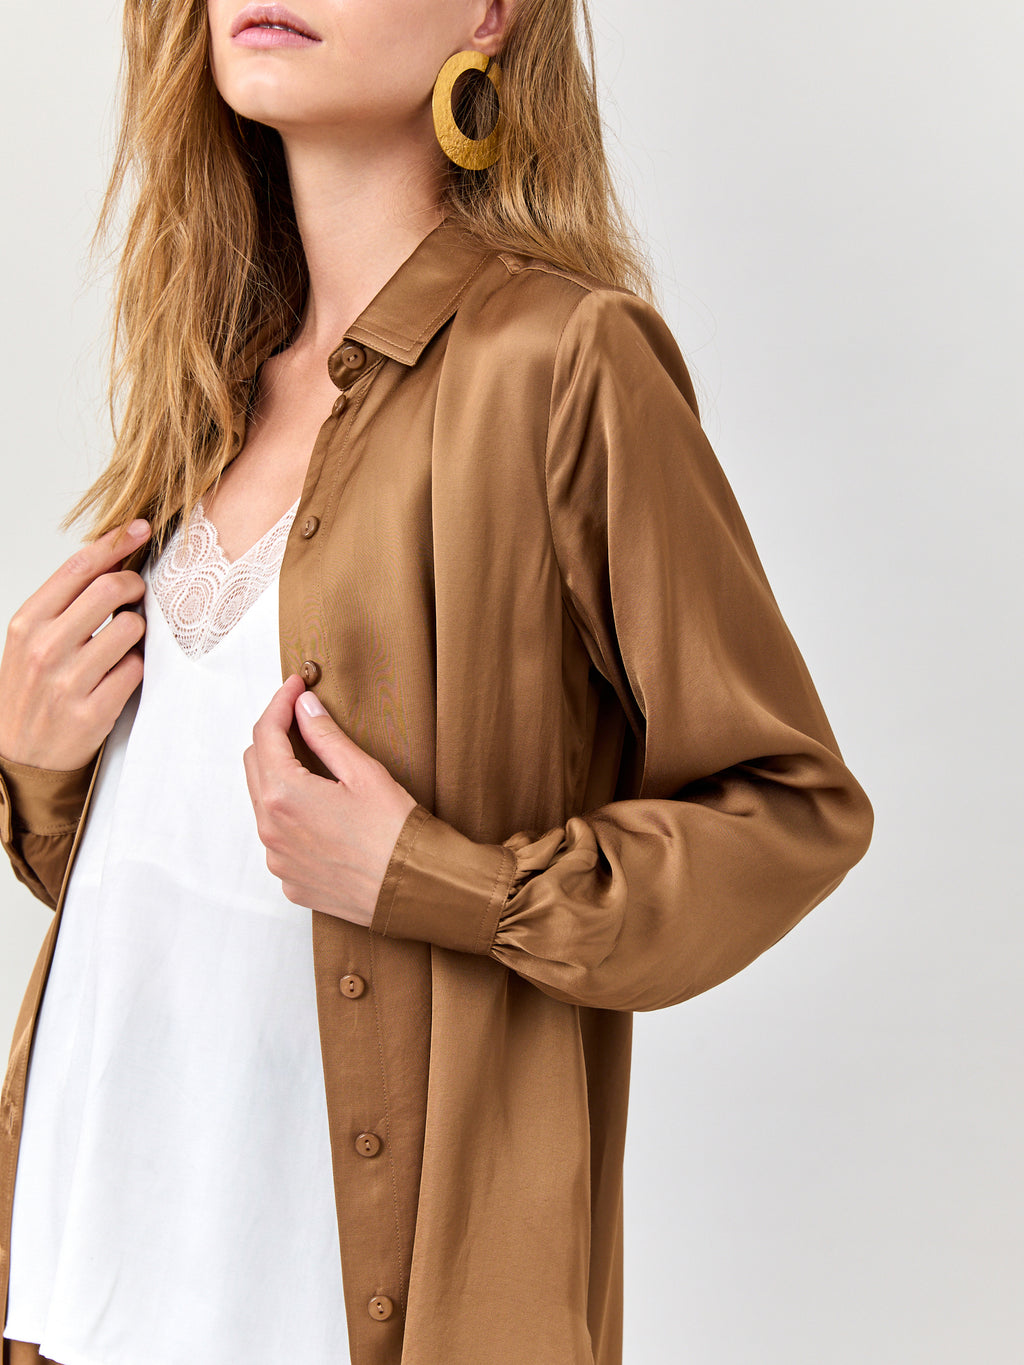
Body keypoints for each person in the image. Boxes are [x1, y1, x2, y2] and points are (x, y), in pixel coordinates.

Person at [0, 0, 874, 1362]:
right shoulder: (207, 378)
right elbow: (197, 890)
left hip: (345, 1301)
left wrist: (435, 879)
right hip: (90, 1266)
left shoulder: (565, 364)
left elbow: (792, 810)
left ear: (491, 12)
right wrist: (40, 765)